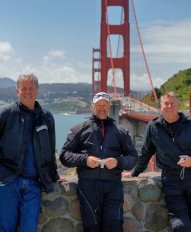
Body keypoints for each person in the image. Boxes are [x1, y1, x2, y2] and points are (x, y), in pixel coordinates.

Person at [0, 73, 62, 232]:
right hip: (8, 181)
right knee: (6, 229)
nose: (28, 92)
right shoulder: (4, 113)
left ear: (37, 90)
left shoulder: (46, 117)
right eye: (24, 88)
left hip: (34, 185)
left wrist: (54, 175)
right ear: (17, 91)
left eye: (31, 88)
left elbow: (49, 150)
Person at [122, 91, 191, 232]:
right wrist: (135, 172)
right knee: (180, 224)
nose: (169, 106)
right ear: (160, 106)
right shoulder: (153, 126)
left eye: (172, 103)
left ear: (178, 105)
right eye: (166, 103)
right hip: (171, 179)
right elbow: (146, 152)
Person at [59, 92, 138, 232]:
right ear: (92, 107)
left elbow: (133, 158)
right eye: (99, 105)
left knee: (114, 226)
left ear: (109, 107)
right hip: (88, 186)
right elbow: (64, 156)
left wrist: (118, 161)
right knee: (92, 227)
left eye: (105, 105)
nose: (102, 108)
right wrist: (85, 160)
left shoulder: (121, 131)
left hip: (113, 186)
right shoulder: (78, 129)